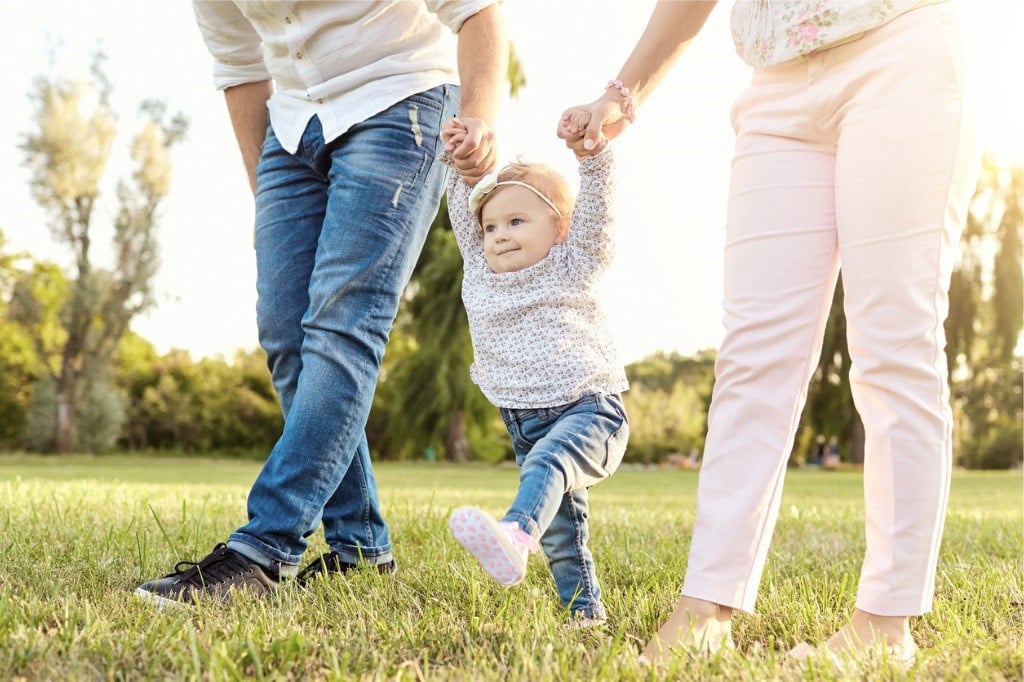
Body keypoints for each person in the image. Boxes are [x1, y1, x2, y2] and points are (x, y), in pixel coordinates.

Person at [558, 0, 978, 666]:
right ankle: (706, 607)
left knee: (894, 346)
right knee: (753, 355)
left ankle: (886, 624)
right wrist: (623, 92)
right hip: (777, 82)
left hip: (900, 49)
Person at [135, 0, 507, 607]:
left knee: (342, 327)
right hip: (290, 126)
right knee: (286, 335)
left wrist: (480, 116)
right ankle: (361, 549)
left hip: (400, 102)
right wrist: (273, 209)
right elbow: (239, 69)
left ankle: (263, 549)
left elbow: (476, 12)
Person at [440, 117, 629, 627]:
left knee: (547, 466)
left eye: (517, 222)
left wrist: (594, 158)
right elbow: (462, 206)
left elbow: (598, 217)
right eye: (492, 226)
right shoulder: (480, 271)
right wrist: (460, 159)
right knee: (565, 535)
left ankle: (516, 533)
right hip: (524, 420)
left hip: (591, 412)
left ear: (559, 227)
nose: (499, 236)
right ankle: (585, 615)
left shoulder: (574, 263)